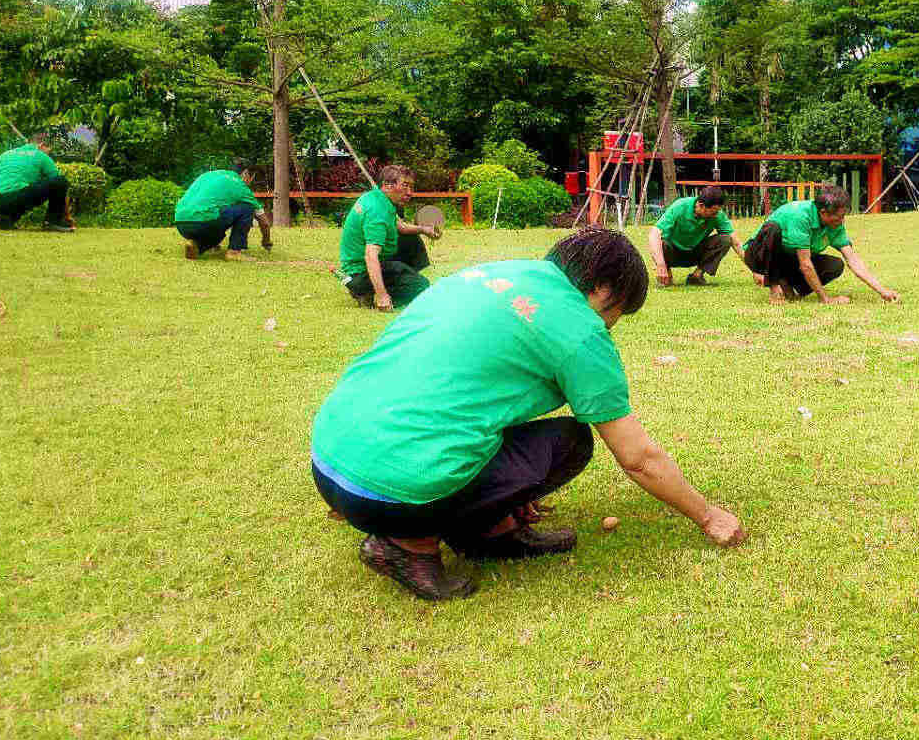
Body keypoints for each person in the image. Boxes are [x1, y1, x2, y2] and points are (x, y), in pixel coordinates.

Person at [311, 225, 747, 600]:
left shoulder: (490, 273)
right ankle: (407, 546)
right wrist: (709, 516)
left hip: (328, 462)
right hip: (392, 493)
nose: (612, 325)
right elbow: (638, 458)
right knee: (571, 442)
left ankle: (488, 531)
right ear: (603, 291)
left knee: (524, 438)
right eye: (618, 314)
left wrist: (508, 492)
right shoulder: (580, 329)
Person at [744, 185, 900, 305]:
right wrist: (826, 299)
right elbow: (805, 264)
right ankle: (774, 286)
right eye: (839, 217)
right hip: (759, 256)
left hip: (787, 259)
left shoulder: (834, 226)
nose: (842, 221)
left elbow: (853, 260)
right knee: (774, 229)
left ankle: (787, 284)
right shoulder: (800, 215)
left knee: (835, 265)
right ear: (823, 212)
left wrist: (882, 291)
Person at [338, 164, 441, 310]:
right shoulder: (377, 213)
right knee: (421, 287)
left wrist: (424, 229)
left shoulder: (377, 198)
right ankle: (370, 293)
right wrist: (382, 296)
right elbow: (370, 256)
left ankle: (403, 278)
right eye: (405, 186)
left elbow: (400, 226)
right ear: (387, 185)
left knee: (411, 238)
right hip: (360, 273)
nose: (410, 192)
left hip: (364, 266)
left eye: (411, 187)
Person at [646, 185, 754, 287]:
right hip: (673, 252)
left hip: (695, 252)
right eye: (713, 212)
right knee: (662, 243)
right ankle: (666, 273)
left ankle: (697, 276)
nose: (716, 215)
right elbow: (654, 234)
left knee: (725, 239)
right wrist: (661, 265)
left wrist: (755, 270)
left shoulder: (717, 215)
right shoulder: (680, 206)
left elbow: (736, 242)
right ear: (701, 206)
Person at [173, 162, 271, 260]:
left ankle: (196, 244)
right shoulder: (239, 184)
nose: (250, 182)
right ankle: (234, 251)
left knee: (217, 231)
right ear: (246, 173)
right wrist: (266, 241)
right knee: (247, 208)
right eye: (252, 178)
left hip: (181, 223)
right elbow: (264, 222)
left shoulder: (208, 175)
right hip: (206, 222)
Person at [0, 133, 73, 232]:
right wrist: (67, 218)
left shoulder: (5, 154)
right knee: (60, 181)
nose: (48, 154)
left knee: (22, 190)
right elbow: (59, 183)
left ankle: (5, 220)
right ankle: (52, 222)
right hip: (14, 198)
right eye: (48, 151)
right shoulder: (40, 155)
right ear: (41, 145)